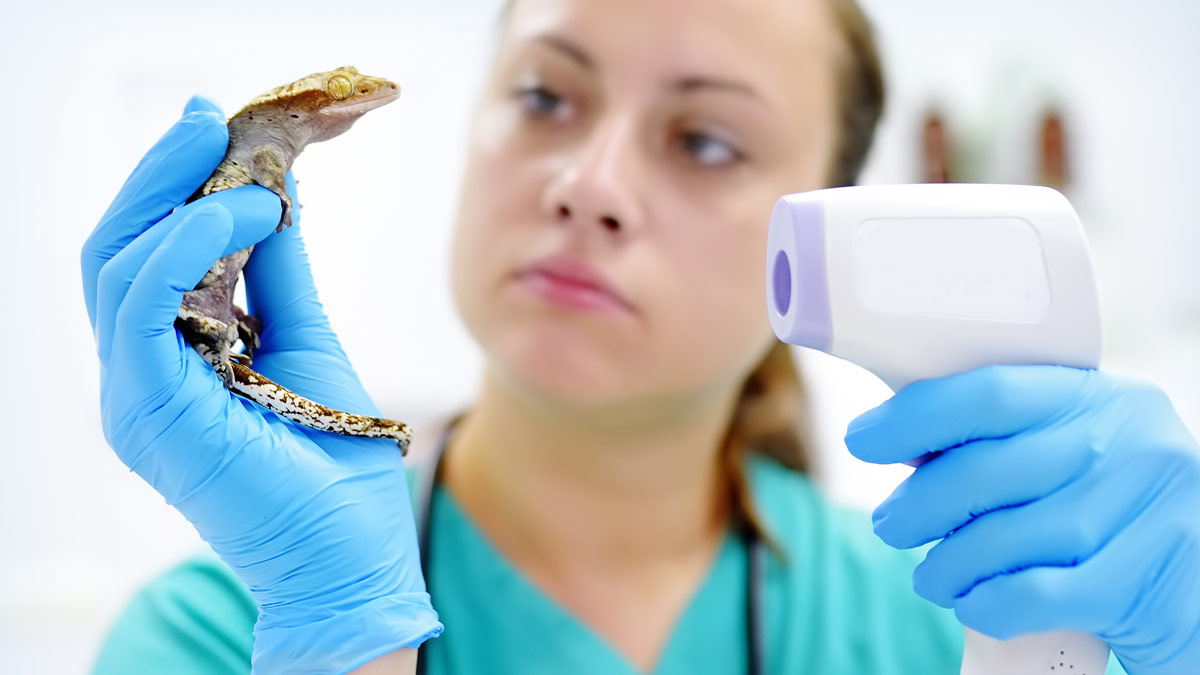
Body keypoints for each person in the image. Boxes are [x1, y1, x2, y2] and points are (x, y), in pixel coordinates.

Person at [81, 0, 1200, 673]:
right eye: (546, 99)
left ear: (824, 220)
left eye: (706, 141)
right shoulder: (221, 633)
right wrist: (336, 638)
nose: (589, 183)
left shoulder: (954, 616)